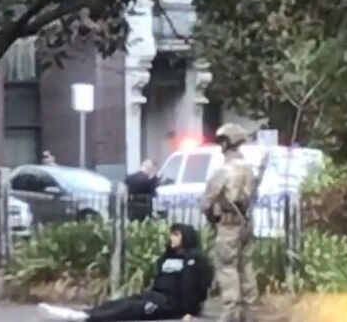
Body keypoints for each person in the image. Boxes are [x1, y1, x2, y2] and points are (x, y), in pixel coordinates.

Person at [38, 223, 213, 321]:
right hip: (155, 295)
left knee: (131, 309)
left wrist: (189, 311)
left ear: (185, 236)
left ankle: (88, 319)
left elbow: (196, 287)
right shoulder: (167, 258)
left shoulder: (195, 259)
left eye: (176, 234)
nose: (171, 238)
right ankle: (87, 313)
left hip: (171, 304)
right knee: (121, 302)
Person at [201, 123, 258, 322]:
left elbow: (206, 201)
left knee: (227, 268)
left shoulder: (223, 171)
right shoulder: (250, 170)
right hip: (246, 225)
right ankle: (249, 311)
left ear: (228, 142)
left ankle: (230, 313)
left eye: (222, 141)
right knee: (246, 267)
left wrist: (211, 217)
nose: (220, 145)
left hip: (227, 226)